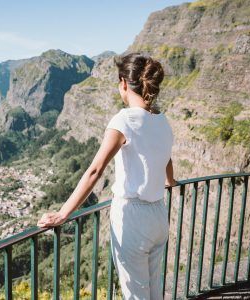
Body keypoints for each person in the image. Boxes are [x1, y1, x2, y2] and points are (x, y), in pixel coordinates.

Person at [37, 52, 177, 300]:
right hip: (159, 215)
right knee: (155, 290)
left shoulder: (124, 120)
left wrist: (63, 213)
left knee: (136, 294)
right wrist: (172, 182)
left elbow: (95, 170)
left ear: (124, 83)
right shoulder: (162, 120)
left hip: (133, 218)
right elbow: (166, 157)